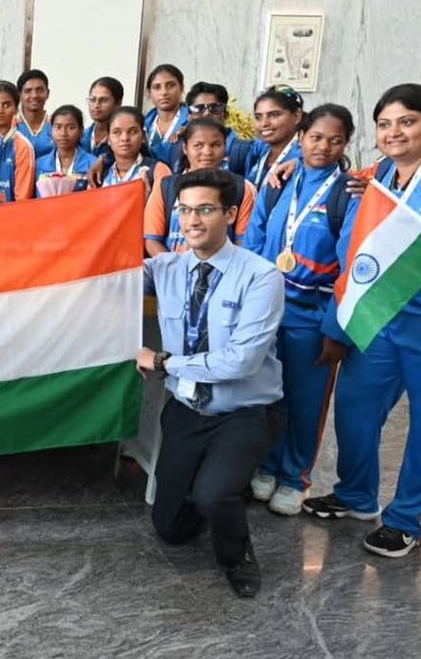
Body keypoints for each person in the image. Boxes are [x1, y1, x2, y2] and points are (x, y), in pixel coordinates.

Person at [304, 84, 421, 558]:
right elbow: (327, 177)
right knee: (355, 409)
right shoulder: (378, 176)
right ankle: (356, 494)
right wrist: (287, 168)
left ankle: (407, 519)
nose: (394, 132)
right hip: (383, 318)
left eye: (406, 122)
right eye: (384, 124)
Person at [136, 167, 286, 598]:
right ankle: (205, 492)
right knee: (171, 530)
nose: (193, 221)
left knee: (215, 495)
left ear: (231, 213)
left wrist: (164, 362)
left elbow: (240, 361)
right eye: (184, 211)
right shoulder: (165, 267)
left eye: (205, 209)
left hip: (242, 411)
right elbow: (104, 276)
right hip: (186, 409)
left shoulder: (261, 276)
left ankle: (237, 554)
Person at [245, 105, 355, 516]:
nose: (323, 147)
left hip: (313, 315)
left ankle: (295, 477)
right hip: (268, 311)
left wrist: (336, 329)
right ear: (302, 136)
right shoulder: (278, 183)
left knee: (306, 402)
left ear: (346, 144)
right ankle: (267, 465)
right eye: (315, 137)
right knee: (267, 394)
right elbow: (254, 242)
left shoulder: (348, 193)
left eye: (335, 140)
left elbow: (352, 266)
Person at [144, 117, 257, 256]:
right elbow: (152, 241)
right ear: (185, 148)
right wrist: (175, 271)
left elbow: (243, 243)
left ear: (225, 147)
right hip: (171, 272)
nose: (207, 152)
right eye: (198, 145)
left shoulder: (242, 188)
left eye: (216, 145)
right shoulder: (165, 186)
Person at [185, 82, 258, 179]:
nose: (207, 113)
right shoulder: (177, 149)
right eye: (199, 108)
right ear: (189, 116)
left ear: (226, 114)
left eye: (215, 108)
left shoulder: (245, 150)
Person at [96, 107, 171, 194]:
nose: (124, 138)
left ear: (143, 136)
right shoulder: (100, 174)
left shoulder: (157, 170)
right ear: (108, 138)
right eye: (117, 132)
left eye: (132, 132)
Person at [247, 84, 305, 187]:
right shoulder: (261, 150)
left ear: (296, 116)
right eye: (258, 117)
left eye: (274, 115)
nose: (264, 123)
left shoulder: (305, 157)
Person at [33, 105, 94, 193]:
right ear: (51, 130)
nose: (63, 133)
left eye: (71, 128)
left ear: (81, 131)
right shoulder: (38, 165)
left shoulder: (93, 164)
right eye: (58, 127)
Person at [143, 64, 190, 165]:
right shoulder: (143, 125)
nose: (164, 92)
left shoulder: (192, 122)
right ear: (149, 93)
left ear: (181, 88)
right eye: (157, 87)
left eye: (171, 85)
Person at [15, 69, 54, 159]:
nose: (34, 95)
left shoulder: (56, 125)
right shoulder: (11, 126)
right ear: (20, 95)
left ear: (47, 93)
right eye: (28, 91)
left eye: (39, 90)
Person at [83, 77, 124, 157]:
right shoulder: (81, 137)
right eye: (92, 99)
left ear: (118, 104)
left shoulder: (123, 140)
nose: (96, 105)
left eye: (104, 100)